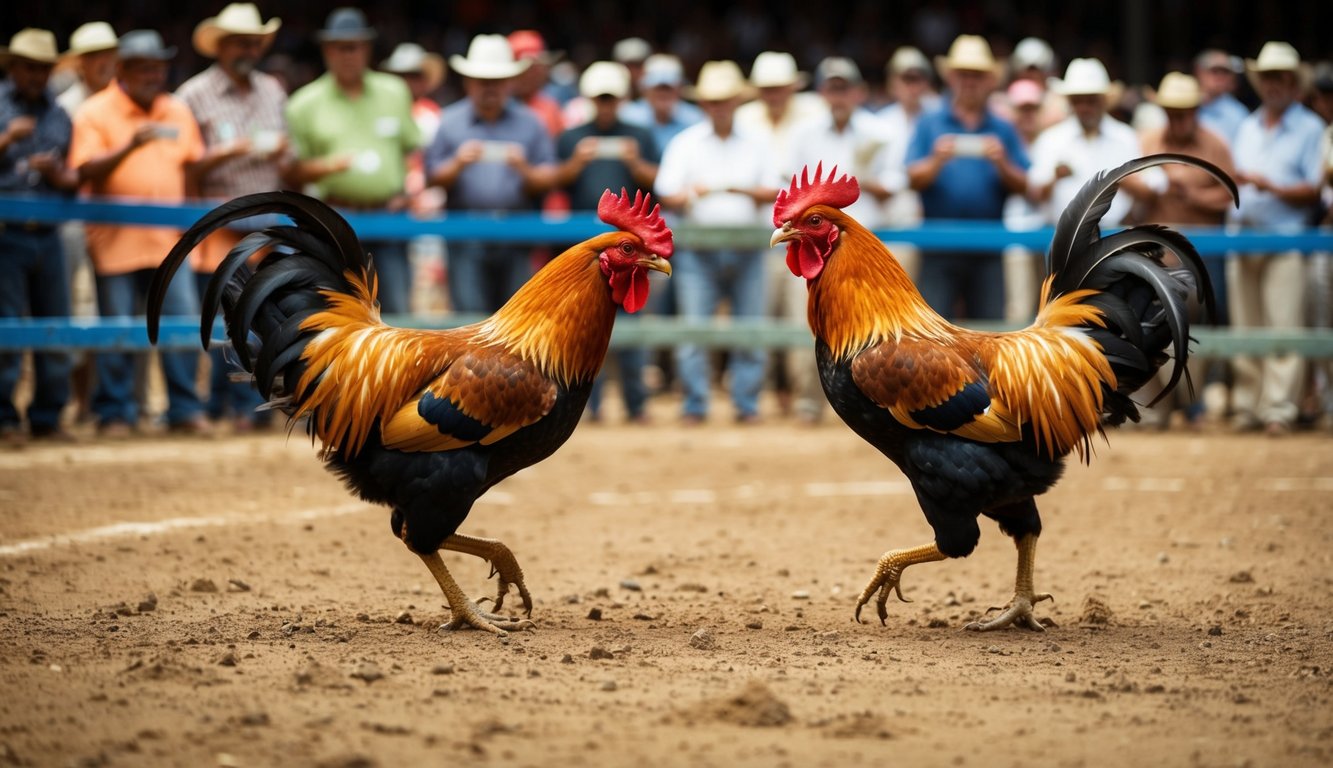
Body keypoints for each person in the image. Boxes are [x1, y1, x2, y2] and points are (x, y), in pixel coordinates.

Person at [68, 29, 210, 438]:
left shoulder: (177, 110)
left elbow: (191, 169)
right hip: (115, 242)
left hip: (169, 241)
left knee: (182, 322)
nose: (154, 75)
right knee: (117, 327)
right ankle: (115, 412)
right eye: (145, 68)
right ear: (123, 70)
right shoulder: (95, 112)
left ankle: (184, 408)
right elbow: (85, 170)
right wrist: (130, 145)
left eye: (159, 67)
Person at [175, 2, 289, 432]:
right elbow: (185, 167)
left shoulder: (273, 91)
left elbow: (289, 156)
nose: (249, 49)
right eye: (241, 42)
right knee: (228, 320)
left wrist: (282, 153)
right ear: (220, 46)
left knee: (261, 317)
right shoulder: (193, 95)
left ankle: (246, 406)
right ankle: (233, 405)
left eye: (254, 42)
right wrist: (223, 153)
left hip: (265, 229)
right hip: (217, 229)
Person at [654, 60, 781, 424]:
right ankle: (696, 402)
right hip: (698, 247)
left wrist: (729, 189)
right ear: (704, 104)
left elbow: (774, 189)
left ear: (736, 102)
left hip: (746, 246)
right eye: (713, 100)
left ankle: (746, 402)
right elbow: (666, 192)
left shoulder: (757, 143)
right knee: (695, 328)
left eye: (725, 99)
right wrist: (693, 195)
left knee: (750, 327)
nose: (719, 106)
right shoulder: (687, 143)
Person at [285, 7, 420, 315]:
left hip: (390, 218)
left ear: (367, 49)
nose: (348, 55)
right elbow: (290, 173)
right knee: (336, 315)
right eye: (339, 47)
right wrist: (327, 167)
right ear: (326, 51)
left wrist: (409, 190)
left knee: (398, 313)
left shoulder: (394, 91)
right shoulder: (303, 104)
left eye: (354, 46)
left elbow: (413, 151)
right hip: (335, 220)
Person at [783, 57, 894, 422]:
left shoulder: (879, 132)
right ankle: (808, 402)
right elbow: (787, 185)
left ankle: (872, 405)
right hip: (816, 245)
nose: (838, 95)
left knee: (875, 338)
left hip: (861, 249)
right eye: (832, 87)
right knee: (810, 326)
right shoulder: (803, 133)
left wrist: (868, 182)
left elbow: (897, 184)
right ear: (821, 93)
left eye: (844, 87)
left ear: (859, 91)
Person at [1227, 42, 1325, 436]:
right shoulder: (1248, 126)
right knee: (1246, 324)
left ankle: (1279, 408)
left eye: (1280, 77)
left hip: (1287, 238)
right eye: (1267, 77)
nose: (1273, 84)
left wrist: (1272, 187)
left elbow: (1316, 190)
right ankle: (1249, 405)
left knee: (1283, 324)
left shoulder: (1311, 127)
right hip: (1242, 236)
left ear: (1293, 82)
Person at [554, 61, 659, 424]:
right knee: (583, 331)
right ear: (589, 99)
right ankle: (589, 407)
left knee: (632, 327)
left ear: (621, 100)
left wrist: (636, 162)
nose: (606, 105)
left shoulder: (640, 134)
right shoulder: (572, 137)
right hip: (585, 251)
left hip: (629, 252)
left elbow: (660, 181)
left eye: (611, 98)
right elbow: (554, 183)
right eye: (600, 99)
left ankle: (636, 404)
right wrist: (575, 163)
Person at [1135, 72, 1239, 428]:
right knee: (1147, 326)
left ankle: (1193, 404)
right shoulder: (1146, 141)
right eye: (1171, 111)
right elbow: (1127, 183)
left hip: (1201, 260)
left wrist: (1191, 195)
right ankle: (1160, 406)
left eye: (1184, 111)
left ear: (1196, 110)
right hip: (1154, 259)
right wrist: (1149, 190)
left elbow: (1230, 195)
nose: (1177, 118)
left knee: (1195, 328)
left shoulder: (1215, 145)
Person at [425, 34, 556, 314]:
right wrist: (457, 163)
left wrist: (524, 169)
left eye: (496, 81)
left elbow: (550, 177)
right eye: (483, 81)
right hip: (464, 234)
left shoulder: (531, 123)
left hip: (517, 233)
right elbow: (431, 177)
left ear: (510, 82)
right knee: (469, 319)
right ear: (468, 82)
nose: (490, 88)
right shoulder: (449, 122)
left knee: (516, 320)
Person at [905, 35, 1028, 321]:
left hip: (989, 245)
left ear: (989, 80)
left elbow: (1024, 184)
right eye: (963, 74)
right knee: (934, 337)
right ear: (950, 77)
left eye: (977, 75)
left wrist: (1002, 163)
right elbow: (911, 179)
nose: (969, 81)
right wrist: (935, 161)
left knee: (989, 334)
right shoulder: (929, 122)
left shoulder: (1003, 126)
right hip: (938, 244)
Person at [0, 28, 77, 446]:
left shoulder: (59, 114)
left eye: (44, 69)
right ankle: (5, 417)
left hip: (48, 233)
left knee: (56, 327)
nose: (37, 75)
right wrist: (6, 139)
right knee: (7, 330)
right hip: (5, 234)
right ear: (13, 67)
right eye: (30, 67)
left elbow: (71, 175)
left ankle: (48, 415)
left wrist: (58, 175)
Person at [1028, 58, 1155, 237]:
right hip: (1064, 239)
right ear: (1070, 102)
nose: (1085, 107)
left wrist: (1125, 181)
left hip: (1114, 237)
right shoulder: (1051, 140)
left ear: (1103, 100)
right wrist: (1054, 178)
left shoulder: (1125, 138)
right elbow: (1035, 193)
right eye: (1079, 101)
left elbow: (1149, 191)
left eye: (1091, 100)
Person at [878, 45, 939, 281]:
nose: (912, 86)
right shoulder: (879, 124)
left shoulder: (939, 117)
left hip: (937, 220)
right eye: (906, 78)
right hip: (897, 222)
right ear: (892, 82)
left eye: (917, 78)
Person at [1000, 78, 1047, 324]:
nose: (1027, 115)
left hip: (1048, 231)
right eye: (1022, 109)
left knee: (1048, 305)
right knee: (1019, 307)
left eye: (1032, 109)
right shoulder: (1003, 139)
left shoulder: (1053, 141)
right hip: (1015, 232)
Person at [620, 53, 704, 157]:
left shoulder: (695, 120)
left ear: (679, 88)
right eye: (658, 88)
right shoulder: (627, 117)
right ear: (645, 89)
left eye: (668, 88)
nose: (663, 94)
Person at [506, 30, 564, 138]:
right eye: (526, 68)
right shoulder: (495, 107)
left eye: (536, 67)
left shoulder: (550, 107)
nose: (532, 74)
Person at [1194, 49, 1250, 147]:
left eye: (1225, 72)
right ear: (1199, 72)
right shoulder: (1187, 106)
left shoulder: (1238, 113)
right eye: (1215, 71)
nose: (1220, 77)